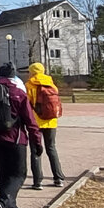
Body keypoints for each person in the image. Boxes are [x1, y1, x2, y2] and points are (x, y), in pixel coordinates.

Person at [0, 63, 43, 208]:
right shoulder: (18, 93)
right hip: (15, 138)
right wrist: (37, 142)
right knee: (19, 174)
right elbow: (31, 121)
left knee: (3, 173)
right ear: (13, 76)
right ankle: (3, 201)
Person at [25, 61, 67, 189]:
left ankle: (38, 181)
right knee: (52, 148)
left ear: (31, 72)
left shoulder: (29, 85)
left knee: (35, 151)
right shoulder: (51, 84)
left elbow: (27, 104)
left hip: (35, 122)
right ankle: (58, 178)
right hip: (51, 121)